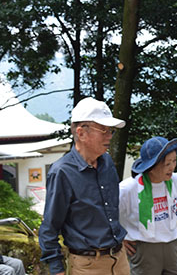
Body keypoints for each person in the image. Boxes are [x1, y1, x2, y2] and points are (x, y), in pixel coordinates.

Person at [38, 97, 130, 275]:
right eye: (103, 130)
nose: (109, 136)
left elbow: (111, 211)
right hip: (87, 265)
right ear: (81, 133)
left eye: (111, 131)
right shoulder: (62, 172)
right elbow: (49, 228)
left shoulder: (107, 162)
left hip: (120, 259)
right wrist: (57, 269)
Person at [119, 136, 177, 275]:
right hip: (144, 250)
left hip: (172, 247)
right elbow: (108, 215)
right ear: (151, 167)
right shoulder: (128, 188)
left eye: (174, 161)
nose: (172, 167)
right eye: (167, 164)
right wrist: (119, 239)